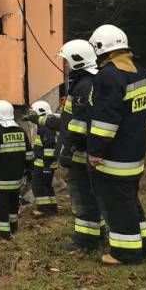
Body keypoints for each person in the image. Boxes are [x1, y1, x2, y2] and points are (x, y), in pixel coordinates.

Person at [86, 24, 146, 265]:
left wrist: (94, 151)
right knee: (130, 200)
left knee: (118, 205)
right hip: (134, 153)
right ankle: (143, 245)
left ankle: (126, 253)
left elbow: (105, 121)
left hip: (114, 158)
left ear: (100, 49)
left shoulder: (109, 76)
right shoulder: (141, 72)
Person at [52, 39, 102, 252]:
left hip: (80, 153)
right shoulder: (91, 81)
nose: (66, 66)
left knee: (82, 195)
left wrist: (67, 151)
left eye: (67, 61)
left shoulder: (83, 86)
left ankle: (85, 240)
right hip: (87, 151)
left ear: (77, 60)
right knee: (92, 194)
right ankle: (97, 232)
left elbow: (79, 123)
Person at [0, 100, 33, 239]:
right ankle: (14, 228)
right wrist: (29, 170)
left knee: (1, 207)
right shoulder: (21, 132)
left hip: (0, 181)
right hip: (17, 180)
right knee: (13, 205)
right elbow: (29, 155)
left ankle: (3, 234)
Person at [27, 101, 58, 216]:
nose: (32, 116)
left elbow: (49, 147)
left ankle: (44, 209)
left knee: (37, 185)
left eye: (34, 113)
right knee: (47, 185)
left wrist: (46, 166)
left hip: (43, 163)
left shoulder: (45, 128)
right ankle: (52, 208)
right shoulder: (49, 125)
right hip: (47, 163)